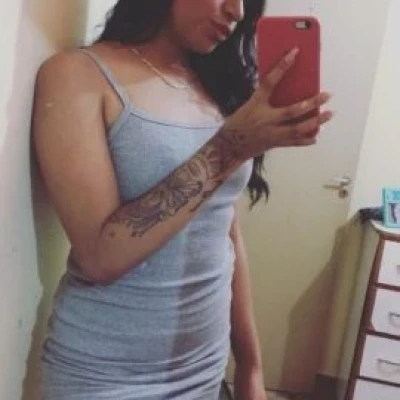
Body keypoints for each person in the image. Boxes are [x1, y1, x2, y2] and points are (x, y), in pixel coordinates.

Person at [32, 1, 333, 399]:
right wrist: (232, 146)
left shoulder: (213, 87)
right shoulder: (77, 75)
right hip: (106, 378)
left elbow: (225, 233)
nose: (237, 11)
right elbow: (100, 258)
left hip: (205, 368)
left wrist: (250, 366)